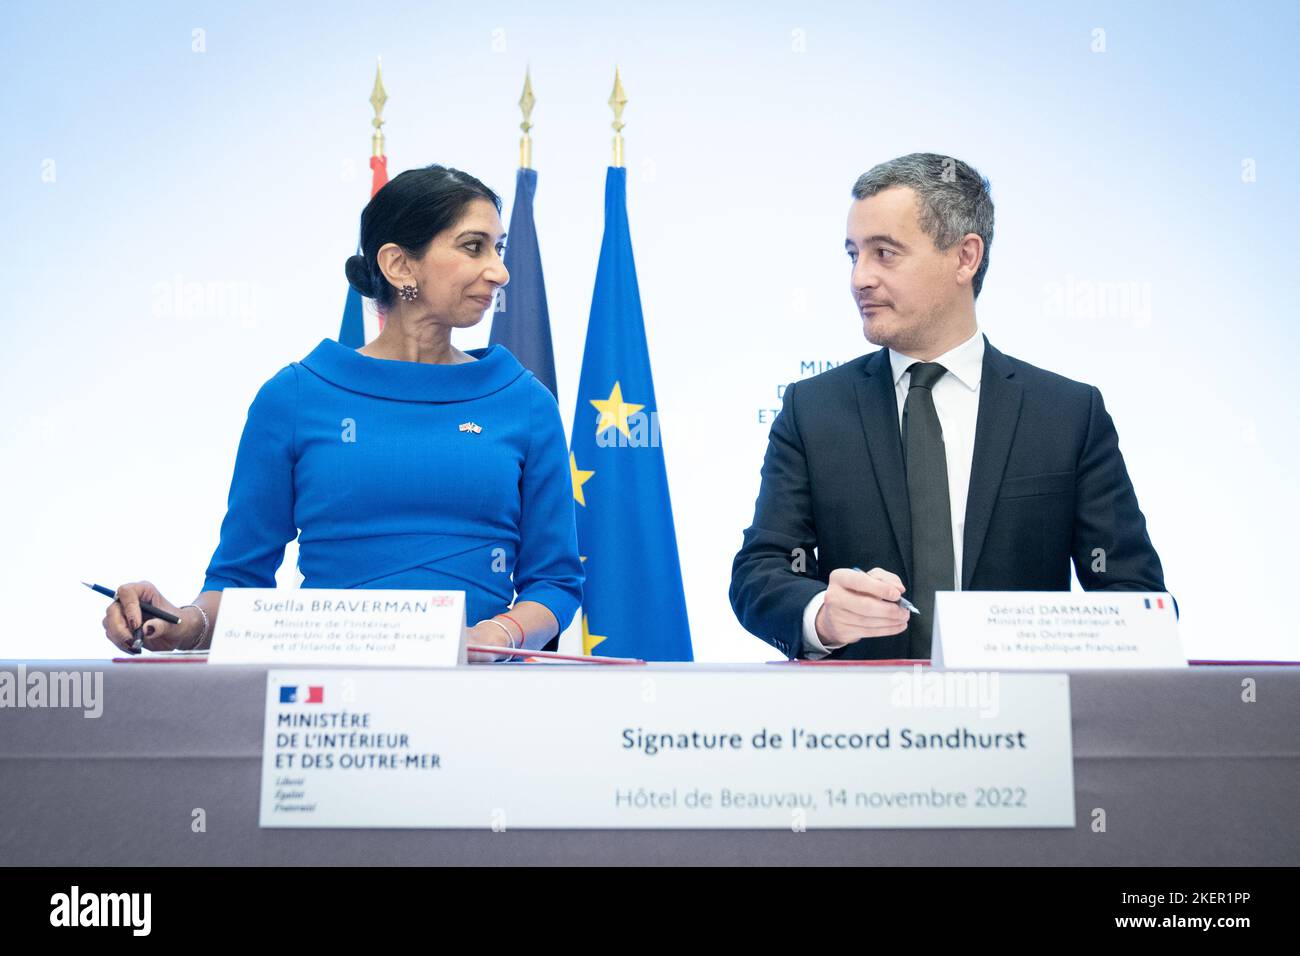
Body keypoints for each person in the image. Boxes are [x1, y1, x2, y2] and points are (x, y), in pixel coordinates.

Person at [102, 164, 583, 662]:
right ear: (399, 265)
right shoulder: (291, 398)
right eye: (472, 246)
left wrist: (498, 634)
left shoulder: (525, 402)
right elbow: (239, 581)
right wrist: (180, 624)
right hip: (327, 703)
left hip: (478, 697)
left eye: (498, 249)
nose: (500, 271)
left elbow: (555, 581)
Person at [730, 153, 1169, 661]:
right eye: (853, 254)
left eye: (885, 253)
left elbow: (1134, 597)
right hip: (858, 730)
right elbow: (760, 573)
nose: (859, 279)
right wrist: (822, 616)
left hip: (1022, 726)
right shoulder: (812, 409)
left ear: (965, 257)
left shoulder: (1068, 414)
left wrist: (1054, 643)